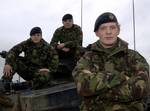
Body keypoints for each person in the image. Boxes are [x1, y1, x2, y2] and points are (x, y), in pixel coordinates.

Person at [72, 12, 149, 111]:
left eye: (112, 27)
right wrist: (120, 77)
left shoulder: (134, 57)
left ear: (118, 30)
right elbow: (82, 86)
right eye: (103, 28)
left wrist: (97, 91)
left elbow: (141, 88)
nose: (108, 32)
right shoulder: (87, 58)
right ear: (97, 33)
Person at [50, 14, 83, 81]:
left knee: (80, 50)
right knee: (51, 50)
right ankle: (53, 71)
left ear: (72, 21)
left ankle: (77, 72)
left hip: (74, 49)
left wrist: (65, 44)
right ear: (63, 22)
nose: (67, 22)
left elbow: (78, 42)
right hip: (63, 50)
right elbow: (52, 43)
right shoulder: (59, 30)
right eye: (65, 21)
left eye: (70, 20)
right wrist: (61, 48)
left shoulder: (77, 29)